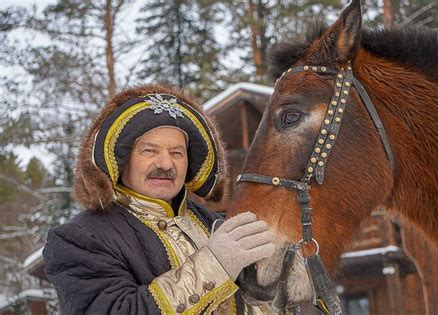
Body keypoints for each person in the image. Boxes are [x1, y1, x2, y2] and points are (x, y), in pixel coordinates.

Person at [42, 84, 276, 314]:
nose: (165, 164)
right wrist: (215, 264)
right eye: (149, 151)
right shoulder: (80, 239)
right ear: (121, 160)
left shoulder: (213, 222)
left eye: (177, 153)